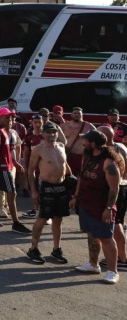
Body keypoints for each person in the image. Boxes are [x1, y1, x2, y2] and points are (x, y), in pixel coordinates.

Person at [71, 128, 124, 284]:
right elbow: (81, 177)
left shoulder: (108, 162)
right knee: (91, 235)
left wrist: (108, 209)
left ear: (93, 144)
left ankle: (113, 271)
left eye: (85, 140)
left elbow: (115, 188)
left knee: (107, 238)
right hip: (86, 203)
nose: (83, 142)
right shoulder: (87, 157)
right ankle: (93, 265)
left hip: (101, 207)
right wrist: (75, 196)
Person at [25, 121, 71, 265]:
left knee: (58, 219)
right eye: (49, 132)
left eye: (54, 132)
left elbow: (65, 165)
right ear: (43, 134)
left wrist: (73, 180)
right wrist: (33, 190)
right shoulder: (38, 149)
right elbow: (31, 171)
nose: (52, 134)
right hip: (46, 187)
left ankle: (56, 249)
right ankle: (33, 249)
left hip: (61, 187)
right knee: (43, 218)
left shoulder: (61, 146)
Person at [0, 107, 32, 235]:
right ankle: (16, 223)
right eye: (7, 117)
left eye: (11, 117)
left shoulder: (6, 131)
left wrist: (15, 163)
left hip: (7, 165)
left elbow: (7, 152)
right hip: (2, 167)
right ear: (0, 118)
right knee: (12, 193)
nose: (10, 120)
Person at [61, 106, 95, 178]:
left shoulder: (89, 126)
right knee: (68, 176)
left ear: (82, 115)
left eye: (79, 113)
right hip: (68, 156)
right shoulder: (64, 126)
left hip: (83, 157)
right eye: (75, 113)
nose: (77, 115)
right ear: (71, 114)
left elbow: (97, 139)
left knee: (82, 177)